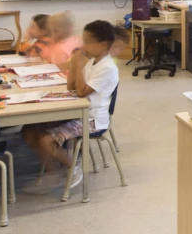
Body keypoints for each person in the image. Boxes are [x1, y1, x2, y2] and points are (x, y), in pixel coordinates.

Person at [22, 20, 119, 191]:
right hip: (79, 112)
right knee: (30, 130)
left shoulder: (107, 67)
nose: (84, 45)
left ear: (103, 45)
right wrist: (75, 63)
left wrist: (79, 63)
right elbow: (71, 86)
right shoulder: (93, 61)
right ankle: (54, 170)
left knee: (46, 140)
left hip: (92, 120)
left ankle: (72, 167)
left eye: (88, 41)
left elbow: (81, 91)